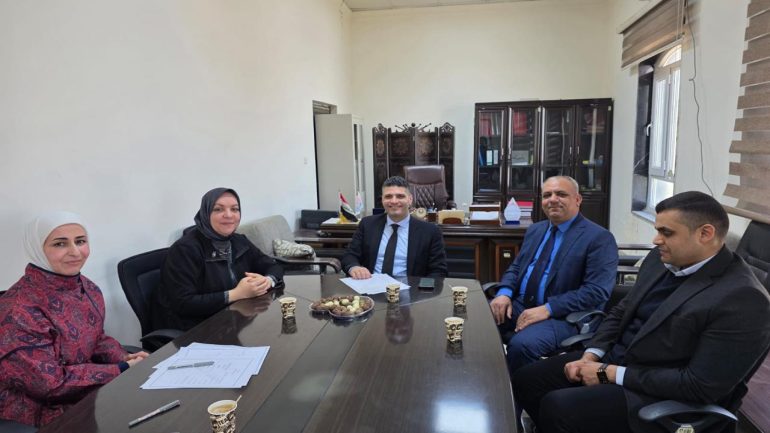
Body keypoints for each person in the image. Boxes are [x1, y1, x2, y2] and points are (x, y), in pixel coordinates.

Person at [513, 191, 770, 433]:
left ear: (705, 233)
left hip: (660, 394)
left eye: (666, 232)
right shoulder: (661, 259)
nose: (656, 240)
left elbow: (699, 386)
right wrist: (592, 354)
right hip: (618, 360)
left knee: (560, 407)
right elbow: (621, 311)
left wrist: (608, 373)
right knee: (527, 379)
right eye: (658, 230)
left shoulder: (744, 299)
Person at [0, 212, 149, 427]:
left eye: (80, 241)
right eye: (60, 244)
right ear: (37, 248)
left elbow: (96, 338)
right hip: (38, 410)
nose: (75, 252)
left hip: (84, 390)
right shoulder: (18, 311)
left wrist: (124, 357)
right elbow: (50, 385)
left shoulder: (86, 287)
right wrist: (120, 369)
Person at [489, 176, 618, 374]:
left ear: (577, 199)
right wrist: (504, 293)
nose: (553, 199)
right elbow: (517, 268)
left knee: (522, 345)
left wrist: (548, 309)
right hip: (522, 304)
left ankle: (516, 391)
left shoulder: (599, 238)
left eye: (561, 194)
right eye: (547, 195)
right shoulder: (536, 230)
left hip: (564, 316)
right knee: (476, 320)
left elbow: (596, 291)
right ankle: (489, 378)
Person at [152, 187, 284, 331]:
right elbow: (183, 303)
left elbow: (273, 265)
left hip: (233, 320)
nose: (229, 215)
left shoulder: (239, 241)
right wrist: (236, 294)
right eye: (218, 209)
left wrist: (267, 281)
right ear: (205, 213)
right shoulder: (185, 250)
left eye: (234, 209)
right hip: (196, 329)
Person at [341, 176, 447, 279]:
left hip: (411, 288)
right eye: (388, 196)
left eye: (400, 196)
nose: (394, 201)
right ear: (382, 200)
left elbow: (438, 270)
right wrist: (354, 267)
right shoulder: (367, 224)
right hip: (372, 285)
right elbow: (350, 255)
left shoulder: (430, 231)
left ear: (410, 199)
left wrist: (421, 288)